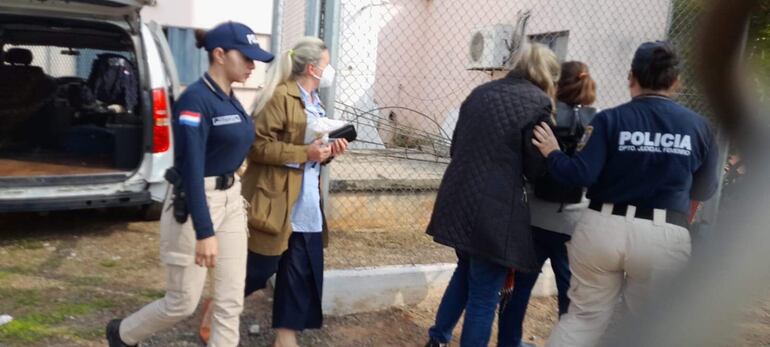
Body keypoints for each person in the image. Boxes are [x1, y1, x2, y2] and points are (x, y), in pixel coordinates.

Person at [532, 41, 720, 347]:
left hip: (603, 228)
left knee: (583, 319)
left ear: (631, 76)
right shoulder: (699, 127)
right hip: (664, 232)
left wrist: (553, 152)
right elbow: (706, 188)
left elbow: (580, 174)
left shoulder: (609, 119)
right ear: (676, 81)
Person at [105, 21, 274, 347]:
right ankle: (122, 334)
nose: (254, 65)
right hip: (197, 203)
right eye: (248, 57)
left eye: (256, 59)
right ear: (220, 55)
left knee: (230, 300)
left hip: (231, 200)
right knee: (182, 301)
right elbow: (193, 170)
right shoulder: (195, 101)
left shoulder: (231, 98)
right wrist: (205, 232)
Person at [424, 42, 560, 347]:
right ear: (548, 75)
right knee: (485, 296)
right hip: (494, 211)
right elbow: (536, 168)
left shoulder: (480, 93)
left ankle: (438, 338)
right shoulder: (538, 104)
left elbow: (455, 146)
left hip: (457, 197)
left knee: (466, 271)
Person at [241, 36, 346, 347]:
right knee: (260, 269)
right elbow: (257, 147)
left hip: (306, 200)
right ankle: (218, 305)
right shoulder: (278, 96)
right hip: (277, 199)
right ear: (312, 68)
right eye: (327, 65)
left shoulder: (316, 102)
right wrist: (306, 153)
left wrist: (330, 151)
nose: (330, 71)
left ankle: (285, 339)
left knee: (299, 272)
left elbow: (313, 151)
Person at [497, 61, 598, 347]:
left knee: (520, 289)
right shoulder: (598, 119)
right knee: (571, 293)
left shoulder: (543, 115)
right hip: (575, 222)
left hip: (536, 217)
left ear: (557, 83)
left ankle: (508, 341)